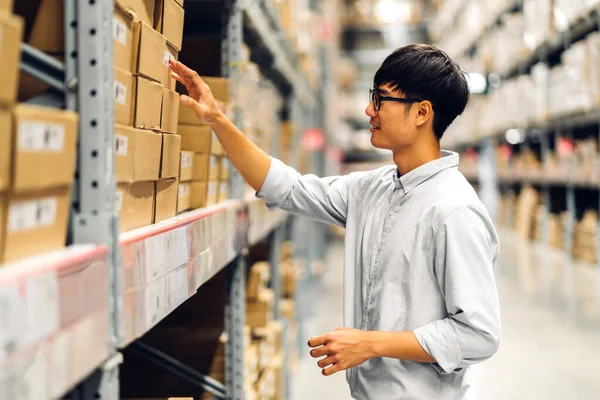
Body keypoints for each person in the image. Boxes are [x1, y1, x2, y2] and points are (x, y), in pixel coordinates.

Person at [169, 43, 501, 400]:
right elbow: (287, 188)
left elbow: (478, 334)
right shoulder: (372, 189)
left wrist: (371, 344)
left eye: (380, 98)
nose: (368, 109)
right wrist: (217, 121)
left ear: (421, 113)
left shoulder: (454, 211)